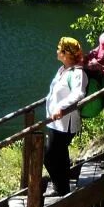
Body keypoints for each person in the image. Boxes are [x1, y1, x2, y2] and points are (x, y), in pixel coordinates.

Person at [43, 36, 87, 197]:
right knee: (57, 155)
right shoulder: (63, 70)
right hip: (55, 122)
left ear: (65, 53)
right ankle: (61, 187)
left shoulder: (77, 72)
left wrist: (61, 107)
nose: (56, 51)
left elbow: (79, 93)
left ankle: (60, 188)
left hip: (65, 123)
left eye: (59, 48)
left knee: (50, 156)